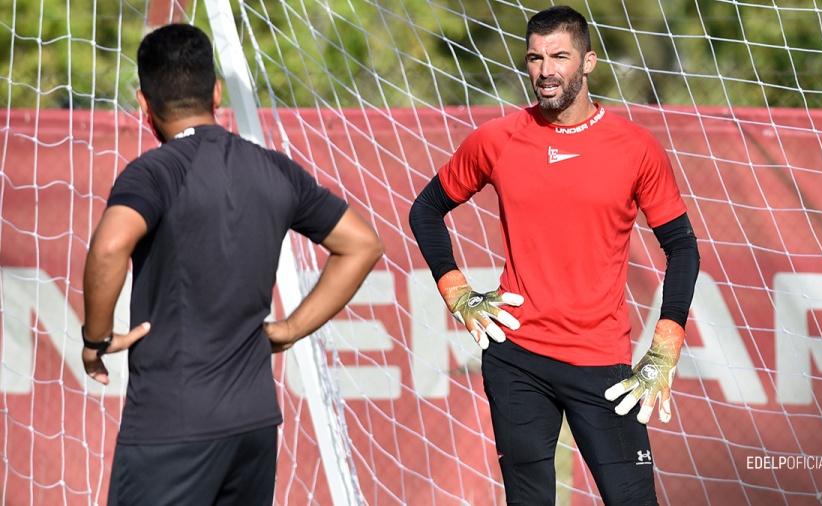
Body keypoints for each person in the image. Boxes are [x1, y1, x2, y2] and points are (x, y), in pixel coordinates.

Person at [408, 5, 700, 505]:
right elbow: (426, 211)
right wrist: (457, 292)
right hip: (516, 359)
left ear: (588, 62)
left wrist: (664, 350)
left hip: (603, 364)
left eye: (559, 56)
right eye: (535, 58)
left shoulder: (635, 147)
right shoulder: (497, 139)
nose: (546, 70)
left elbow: (682, 248)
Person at [81, 24, 383, 505]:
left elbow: (110, 246)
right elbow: (362, 244)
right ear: (216, 93)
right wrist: (287, 329)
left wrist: (95, 339)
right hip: (254, 427)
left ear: (143, 104)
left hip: (172, 426)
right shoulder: (274, 168)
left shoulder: (155, 171)